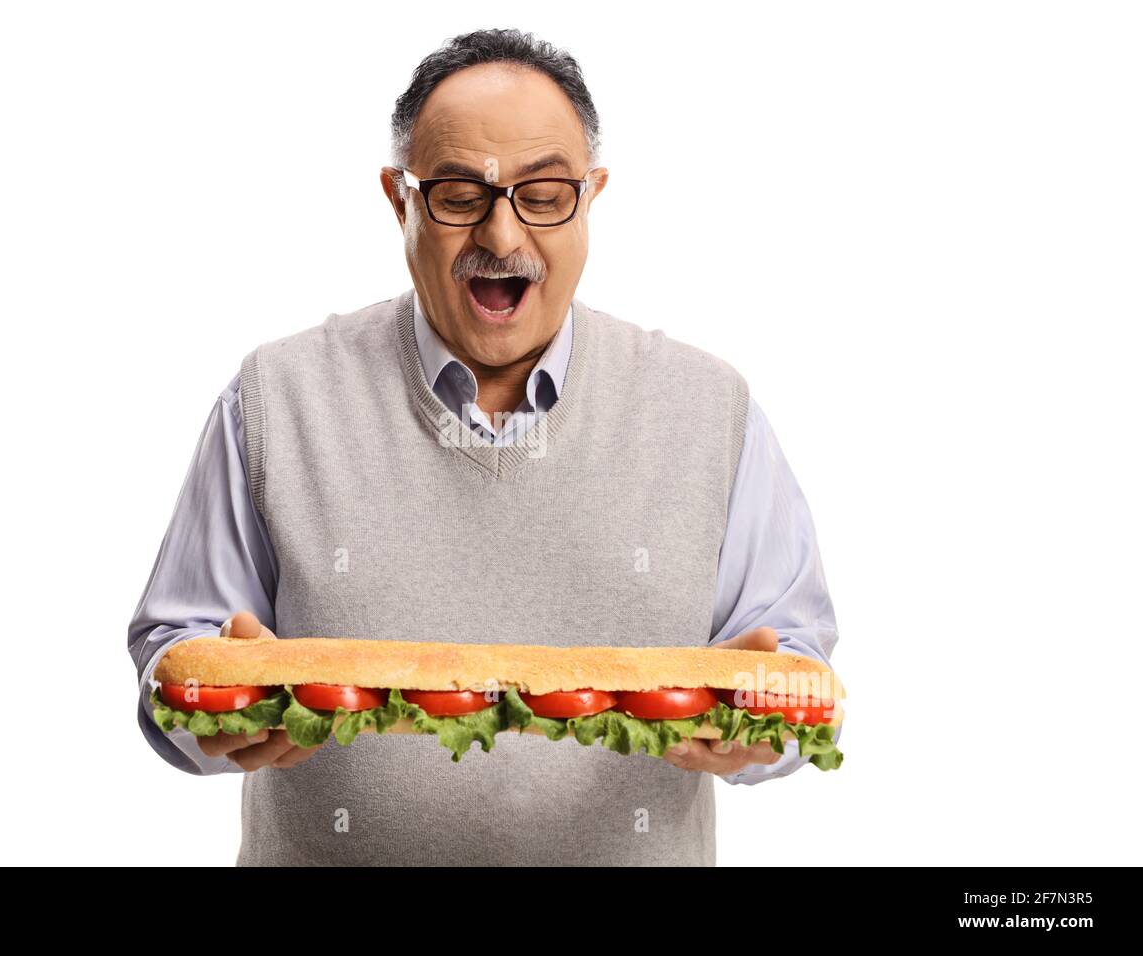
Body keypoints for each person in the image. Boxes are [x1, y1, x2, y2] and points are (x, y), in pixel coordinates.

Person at [128, 28, 841, 866]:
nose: (502, 239)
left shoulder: (710, 407)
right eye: (460, 195)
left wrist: (762, 735)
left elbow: (793, 665)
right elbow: (175, 649)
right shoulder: (275, 396)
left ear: (591, 195)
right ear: (399, 199)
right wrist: (209, 715)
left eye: (543, 195)